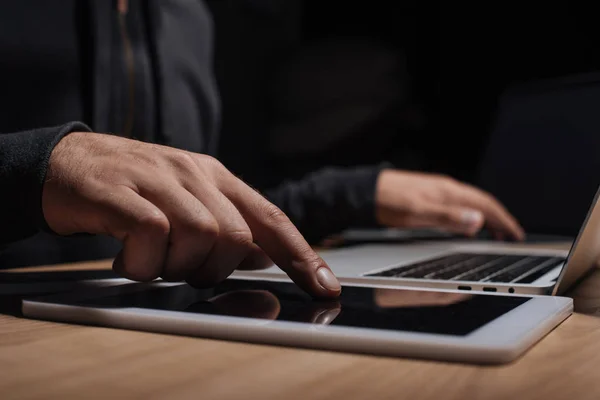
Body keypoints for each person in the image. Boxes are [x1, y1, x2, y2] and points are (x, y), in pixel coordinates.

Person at [0, 1, 522, 297]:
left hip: (153, 333)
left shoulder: (190, 18)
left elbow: (209, 213)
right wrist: (40, 166)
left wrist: (357, 193)